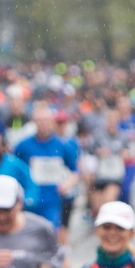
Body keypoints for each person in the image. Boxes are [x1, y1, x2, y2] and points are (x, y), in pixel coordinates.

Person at [13, 102, 81, 243]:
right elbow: (13, 168)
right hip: (29, 200)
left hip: (52, 200)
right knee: (28, 237)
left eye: (45, 120)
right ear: (34, 122)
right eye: (39, 121)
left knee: (50, 235)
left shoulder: (62, 145)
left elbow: (76, 171)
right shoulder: (23, 145)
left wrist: (67, 184)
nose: (42, 124)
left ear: (51, 122)